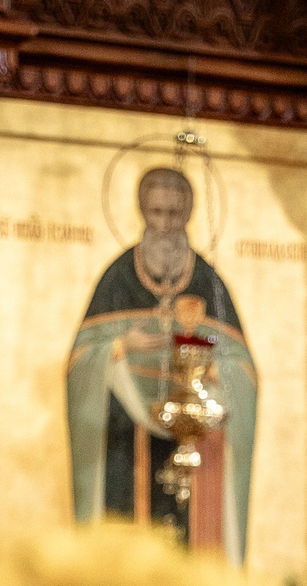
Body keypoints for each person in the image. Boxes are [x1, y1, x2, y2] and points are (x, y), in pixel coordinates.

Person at [67, 167, 259, 565]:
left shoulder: (208, 282)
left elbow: (243, 370)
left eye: (174, 215)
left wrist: (213, 370)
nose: (165, 225)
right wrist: (120, 347)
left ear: (187, 216)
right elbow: (81, 362)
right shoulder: (118, 279)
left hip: (195, 443)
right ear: (142, 213)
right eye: (156, 213)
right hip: (125, 437)